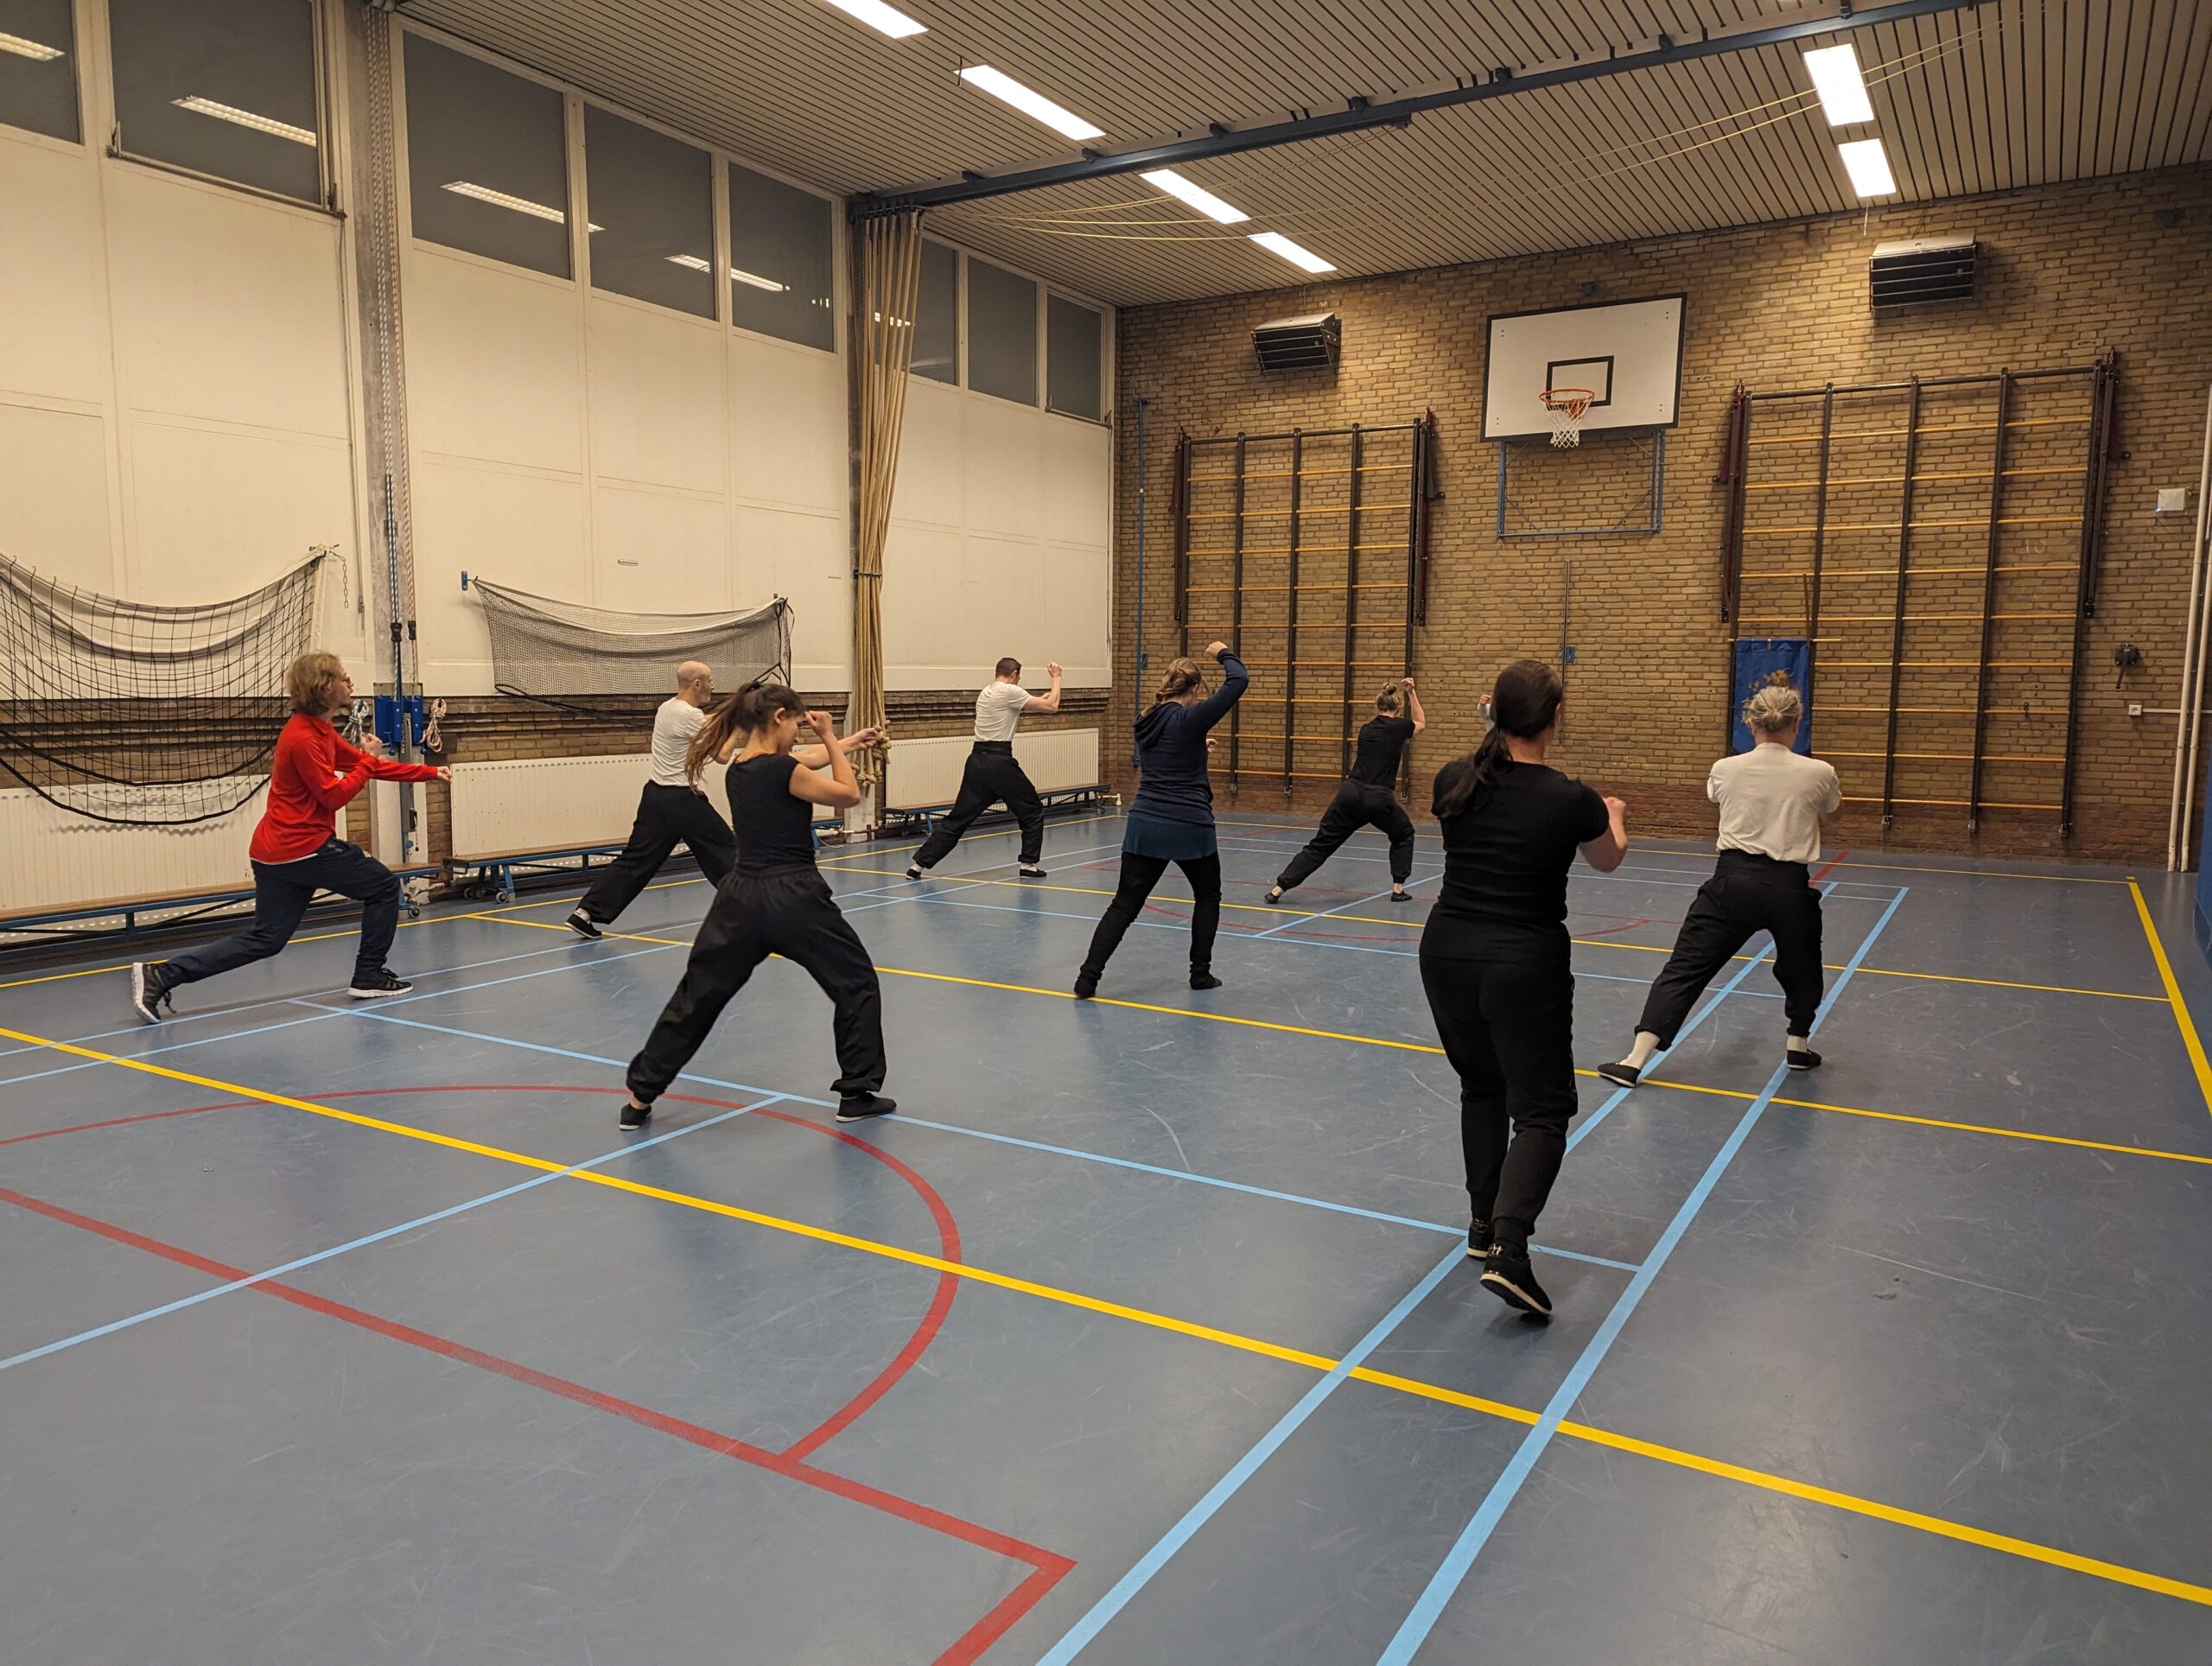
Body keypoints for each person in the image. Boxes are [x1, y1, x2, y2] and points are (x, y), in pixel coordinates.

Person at [1420, 658, 1628, 1319]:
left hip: (1446, 951)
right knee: (1541, 1109)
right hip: (1522, 962)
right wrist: (1616, 814)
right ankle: (1511, 1249)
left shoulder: (1455, 778)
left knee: (1481, 1087)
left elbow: (1484, 773)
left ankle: (1483, 1226)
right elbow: (1608, 857)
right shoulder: (1571, 798)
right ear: (1554, 721)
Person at [618, 684, 893, 1130]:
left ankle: (639, 1097)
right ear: (778, 716)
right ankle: (857, 1093)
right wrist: (829, 735)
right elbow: (847, 793)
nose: (796, 732)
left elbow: (797, 764)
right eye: (795, 723)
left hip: (739, 899)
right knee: (856, 983)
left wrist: (844, 742)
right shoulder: (782, 768)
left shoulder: (741, 768)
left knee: (698, 996)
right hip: (794, 897)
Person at [129, 652, 449, 1021]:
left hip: (277, 852)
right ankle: (369, 974)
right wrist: (364, 761)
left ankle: (160, 976)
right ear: (326, 687)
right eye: (345, 678)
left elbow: (368, 766)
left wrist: (427, 772)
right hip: (302, 848)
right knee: (382, 886)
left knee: (267, 940)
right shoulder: (303, 739)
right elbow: (334, 794)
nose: (351, 684)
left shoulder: (320, 732)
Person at [1598, 673, 1840, 1090]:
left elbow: (1717, 796)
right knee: (1803, 969)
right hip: (1788, 888)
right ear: (1796, 725)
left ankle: (1634, 1060)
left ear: (1752, 724)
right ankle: (1797, 1045)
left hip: (1732, 883)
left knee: (1686, 967)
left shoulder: (1725, 768)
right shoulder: (1819, 771)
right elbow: (1833, 813)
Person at [1074, 642, 1249, 999]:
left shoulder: (1146, 719)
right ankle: (1200, 975)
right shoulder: (1189, 718)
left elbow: (1170, 752)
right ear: (1196, 689)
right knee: (1207, 896)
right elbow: (1239, 680)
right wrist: (1223, 653)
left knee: (1123, 904)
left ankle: (1087, 979)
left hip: (1145, 823)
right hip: (1188, 824)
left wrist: (1199, 746)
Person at [567, 661, 734, 940]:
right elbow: (723, 755)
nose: (713, 686)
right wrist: (744, 727)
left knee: (635, 861)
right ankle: (757, 906)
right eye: (710, 680)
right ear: (697, 684)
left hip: (655, 797)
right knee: (726, 851)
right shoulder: (691, 716)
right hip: (682, 800)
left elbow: (701, 740)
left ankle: (585, 913)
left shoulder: (666, 708)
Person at [1265, 677, 1425, 906]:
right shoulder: (1400, 728)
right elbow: (1421, 722)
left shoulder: (1366, 729)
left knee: (1320, 845)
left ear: (1377, 706)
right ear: (1398, 707)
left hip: (1350, 793)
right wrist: (1411, 693)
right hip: (1378, 798)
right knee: (1404, 834)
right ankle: (1398, 888)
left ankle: (1278, 889)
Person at [906, 658, 1064, 881]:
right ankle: (1028, 864)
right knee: (1032, 810)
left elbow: (1032, 702)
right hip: (999, 763)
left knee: (958, 818)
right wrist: (1056, 678)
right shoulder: (1010, 691)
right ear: (1015, 673)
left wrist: (1043, 697)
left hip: (977, 761)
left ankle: (918, 865)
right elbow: (1052, 706)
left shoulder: (987, 692)